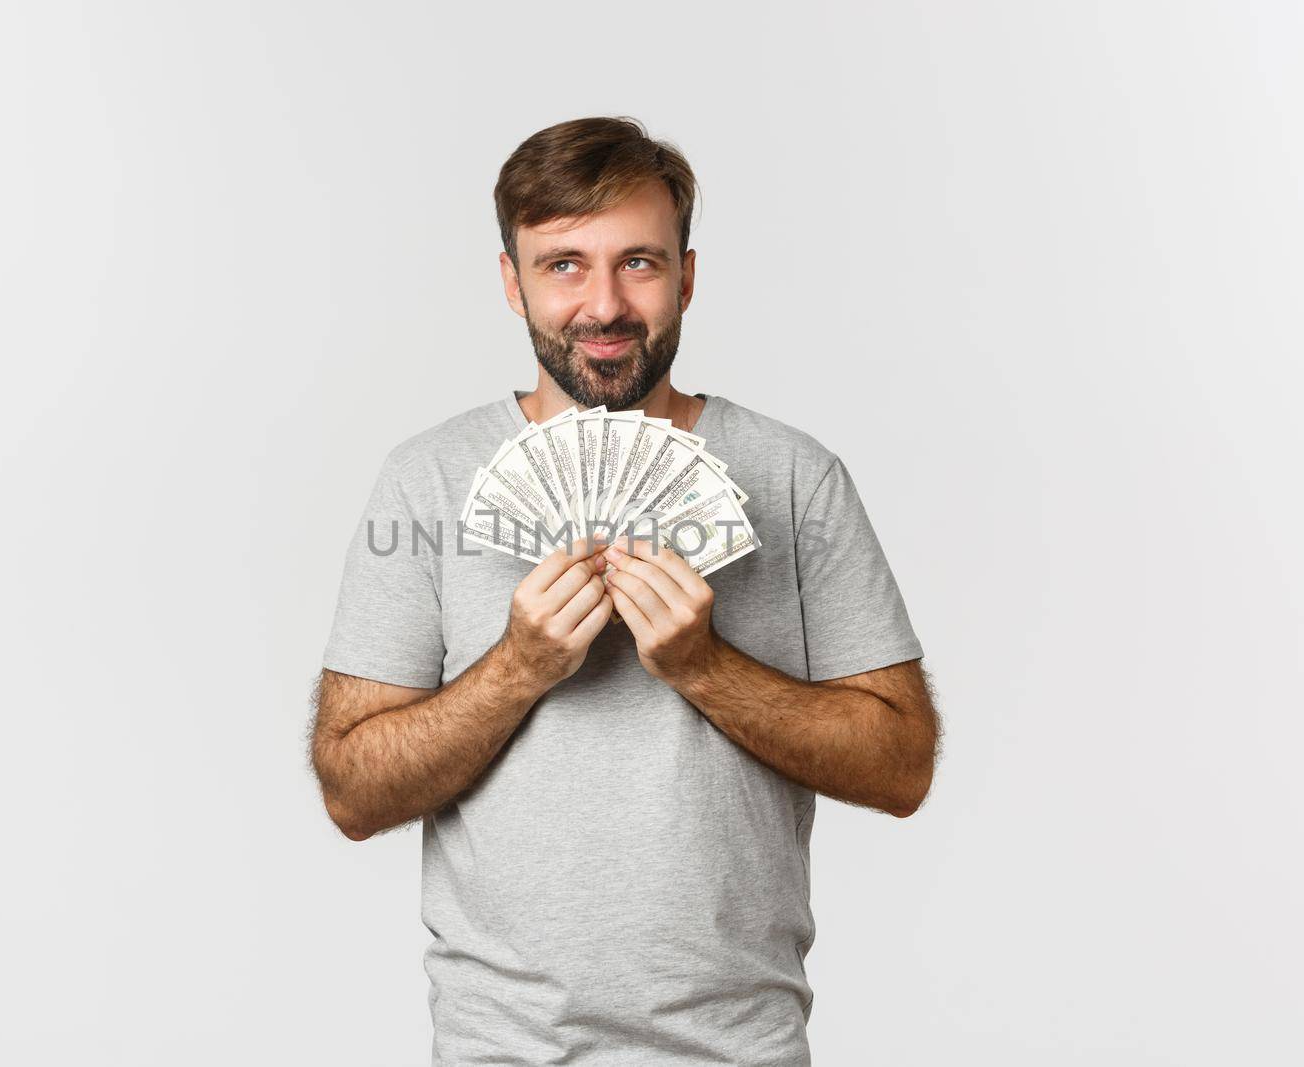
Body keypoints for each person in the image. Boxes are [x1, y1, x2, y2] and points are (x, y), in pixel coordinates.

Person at [309, 115, 940, 1066]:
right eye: (563, 264)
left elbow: (901, 765)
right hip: (500, 1050)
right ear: (510, 282)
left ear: (687, 276)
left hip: (739, 1046)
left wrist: (704, 666)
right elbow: (354, 791)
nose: (602, 304)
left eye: (637, 262)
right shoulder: (426, 480)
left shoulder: (795, 477)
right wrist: (519, 667)